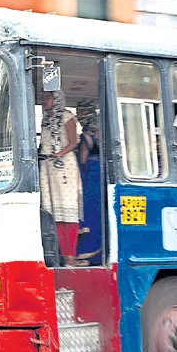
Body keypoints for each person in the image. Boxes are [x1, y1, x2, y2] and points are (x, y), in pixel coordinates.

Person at [39, 90, 83, 267]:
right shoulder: (45, 119)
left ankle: (70, 255)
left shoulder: (67, 116)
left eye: (48, 98)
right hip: (47, 165)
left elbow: (73, 143)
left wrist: (58, 155)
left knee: (68, 211)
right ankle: (60, 254)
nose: (44, 101)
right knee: (53, 211)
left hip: (64, 165)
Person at [75, 99, 102, 266]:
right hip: (102, 173)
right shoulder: (101, 129)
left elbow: (83, 159)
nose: (79, 117)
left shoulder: (87, 134)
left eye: (81, 113)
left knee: (89, 213)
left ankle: (86, 253)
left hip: (90, 175)